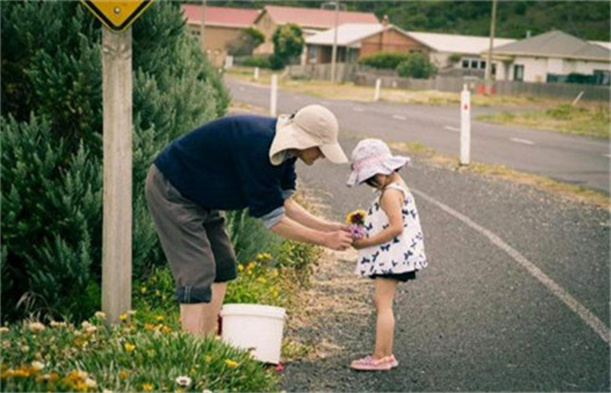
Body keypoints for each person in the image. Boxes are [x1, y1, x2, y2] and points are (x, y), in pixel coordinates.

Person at [145, 104, 353, 336]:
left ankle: (208, 339)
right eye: (321, 149)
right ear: (305, 140)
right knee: (198, 269)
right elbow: (275, 221)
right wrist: (325, 240)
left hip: (202, 195)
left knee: (223, 264)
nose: (323, 155)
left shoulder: (285, 153)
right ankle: (191, 350)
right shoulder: (260, 147)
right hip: (173, 187)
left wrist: (330, 227)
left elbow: (285, 203)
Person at [346, 138, 427, 371]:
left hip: (392, 257)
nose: (371, 182)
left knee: (383, 304)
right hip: (396, 255)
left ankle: (382, 356)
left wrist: (366, 242)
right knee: (383, 302)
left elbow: (395, 227)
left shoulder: (390, 193)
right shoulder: (396, 185)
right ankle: (384, 354)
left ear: (385, 169)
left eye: (373, 177)